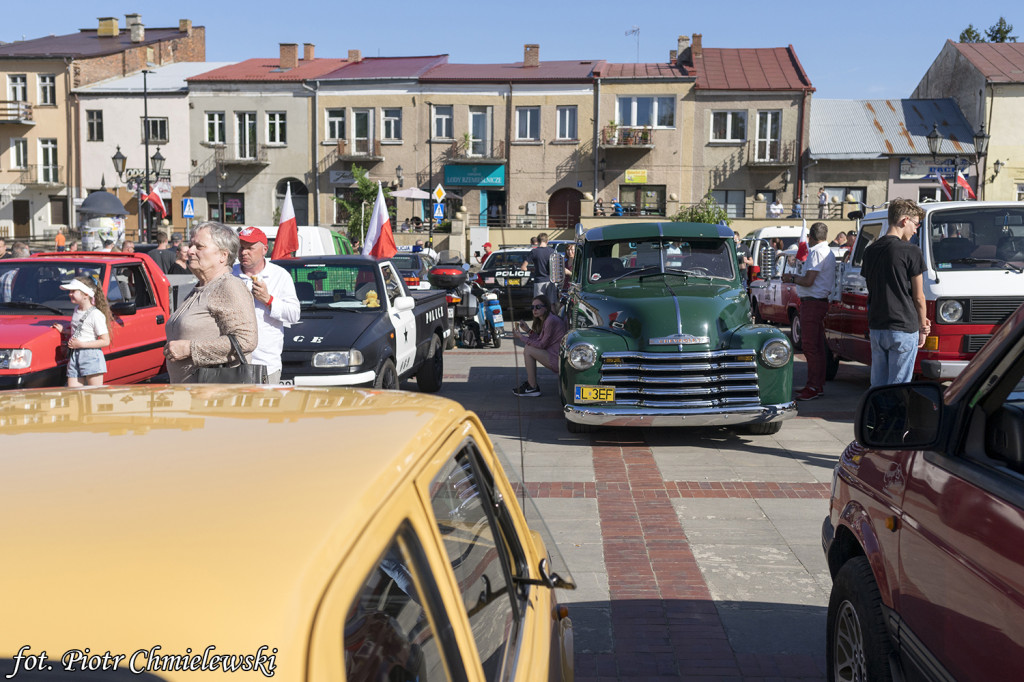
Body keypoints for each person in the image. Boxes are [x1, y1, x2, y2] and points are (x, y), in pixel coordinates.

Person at [163, 221, 258, 383]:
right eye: (190, 245)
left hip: (215, 398)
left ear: (223, 255)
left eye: (199, 247)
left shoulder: (229, 286)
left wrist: (189, 349)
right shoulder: (200, 287)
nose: (190, 251)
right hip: (190, 396)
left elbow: (246, 340)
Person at [862, 198, 929, 387]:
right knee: (898, 386)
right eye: (917, 224)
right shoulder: (911, 251)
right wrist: (923, 325)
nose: (916, 229)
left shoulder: (870, 250)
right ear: (905, 220)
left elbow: (873, 289)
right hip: (903, 326)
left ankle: (877, 416)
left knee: (878, 386)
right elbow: (918, 296)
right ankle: (895, 417)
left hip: (877, 325)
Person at [233, 226, 301, 384]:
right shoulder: (230, 274)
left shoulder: (279, 275)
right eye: (241, 248)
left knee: (265, 408)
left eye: (250, 248)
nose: (243, 252)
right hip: (233, 362)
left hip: (265, 363)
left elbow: (293, 314)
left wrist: (268, 300)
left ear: (265, 249)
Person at [782, 222, 836, 401]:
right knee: (817, 347)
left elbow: (808, 281)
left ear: (811, 238)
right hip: (818, 302)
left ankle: (813, 385)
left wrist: (791, 277)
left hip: (812, 303)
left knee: (810, 347)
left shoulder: (816, 252)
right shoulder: (826, 251)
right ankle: (816, 384)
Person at [51, 276, 112, 387]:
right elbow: (81, 331)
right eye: (70, 291)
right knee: (73, 393)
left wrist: (81, 344)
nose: (70, 294)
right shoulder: (76, 310)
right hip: (75, 355)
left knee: (94, 393)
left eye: (73, 291)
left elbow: (105, 341)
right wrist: (64, 331)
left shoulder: (96, 315)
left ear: (86, 295)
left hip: (91, 356)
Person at [512, 295, 566, 397]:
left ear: (546, 307)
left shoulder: (550, 320)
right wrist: (527, 330)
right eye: (532, 307)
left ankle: (532, 386)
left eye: (538, 307)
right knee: (529, 348)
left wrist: (521, 337)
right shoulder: (548, 319)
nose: (534, 310)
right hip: (555, 356)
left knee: (528, 349)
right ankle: (531, 385)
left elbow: (541, 345)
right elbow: (540, 340)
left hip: (557, 359)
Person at [522, 232, 558, 310]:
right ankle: (553, 321)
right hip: (551, 281)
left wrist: (532, 269)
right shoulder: (553, 251)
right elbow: (556, 267)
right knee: (551, 304)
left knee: (539, 305)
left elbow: (523, 267)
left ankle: (541, 322)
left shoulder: (534, 252)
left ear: (537, 241)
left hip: (539, 281)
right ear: (547, 241)